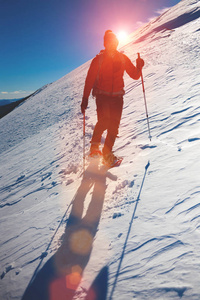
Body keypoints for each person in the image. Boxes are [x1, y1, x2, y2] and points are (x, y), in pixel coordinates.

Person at [81, 30, 144, 167]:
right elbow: (89, 80)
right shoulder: (98, 60)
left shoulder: (122, 58)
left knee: (114, 127)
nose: (112, 44)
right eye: (109, 42)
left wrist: (139, 66)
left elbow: (134, 75)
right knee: (103, 122)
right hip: (102, 97)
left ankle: (107, 154)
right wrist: (85, 98)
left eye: (114, 42)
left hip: (117, 98)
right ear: (105, 43)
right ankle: (94, 150)